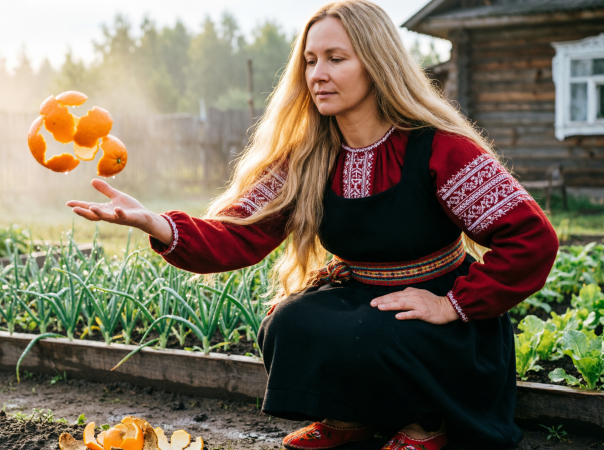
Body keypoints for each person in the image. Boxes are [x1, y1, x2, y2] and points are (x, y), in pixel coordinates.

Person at [66, 1, 558, 448]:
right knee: (290, 321)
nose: (317, 74)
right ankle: (350, 420)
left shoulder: (441, 148)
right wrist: (156, 223)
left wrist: (452, 304)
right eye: (309, 60)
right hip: (363, 294)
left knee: (380, 332)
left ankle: (424, 427)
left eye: (336, 59)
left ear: (376, 62)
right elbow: (242, 233)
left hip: (436, 314)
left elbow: (532, 239)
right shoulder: (308, 157)